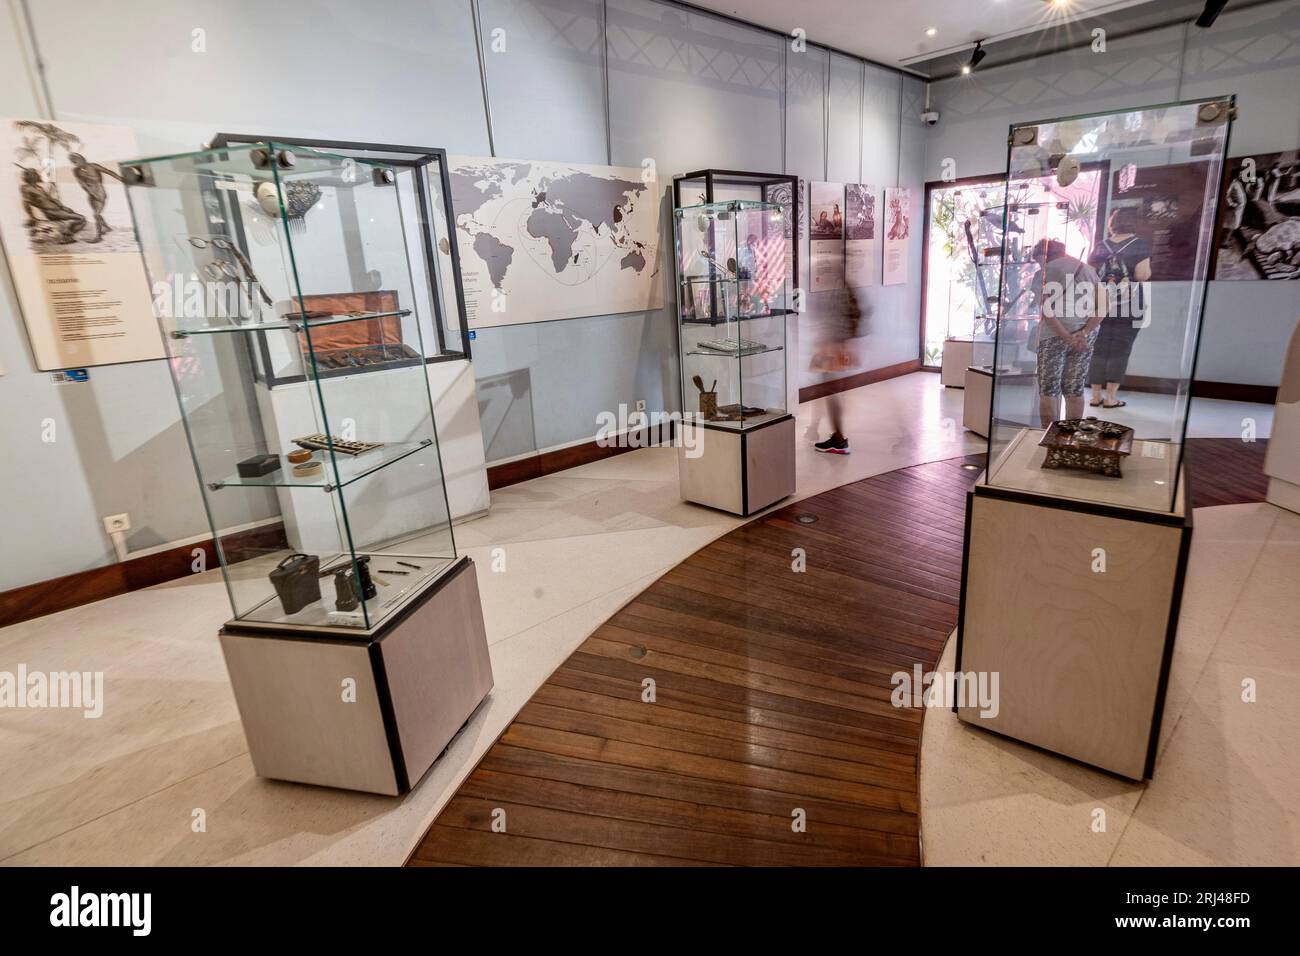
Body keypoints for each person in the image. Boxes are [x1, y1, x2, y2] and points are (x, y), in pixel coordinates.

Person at [1032, 238, 1103, 429]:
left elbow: (1047, 311)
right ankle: (1070, 437)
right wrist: (1083, 333)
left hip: (1053, 335)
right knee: (1074, 388)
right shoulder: (1088, 270)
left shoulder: (1044, 273)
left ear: (1042, 256)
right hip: (1085, 336)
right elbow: (1103, 306)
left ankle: (1050, 436)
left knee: (1049, 388)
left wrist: (1066, 336)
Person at [1087, 207, 1152, 409]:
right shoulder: (1139, 244)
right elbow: (1142, 275)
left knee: (1098, 349)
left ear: (1112, 223)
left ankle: (1095, 395)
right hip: (1129, 305)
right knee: (1120, 351)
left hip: (1101, 304)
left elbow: (1090, 274)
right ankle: (1110, 398)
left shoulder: (1100, 245)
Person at [812, 285, 866, 455]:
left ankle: (839, 440)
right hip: (838, 347)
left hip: (833, 348)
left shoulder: (838, 287)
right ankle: (836, 436)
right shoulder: (844, 286)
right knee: (830, 392)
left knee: (830, 392)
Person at [18, 167, 85, 243]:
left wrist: (63, 207)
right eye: (35, 173)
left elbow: (51, 199)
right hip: (50, 211)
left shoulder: (39, 187)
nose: (38, 175)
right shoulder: (26, 188)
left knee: (77, 216)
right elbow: (26, 202)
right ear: (30, 176)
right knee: (81, 218)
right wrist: (32, 216)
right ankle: (66, 236)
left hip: (57, 209)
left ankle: (65, 234)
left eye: (36, 173)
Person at [69, 153, 123, 242]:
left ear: (83, 159)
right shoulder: (76, 171)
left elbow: (109, 172)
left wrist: (121, 179)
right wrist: (90, 191)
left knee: (96, 214)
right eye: (74, 161)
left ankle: (99, 237)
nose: (76, 162)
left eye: (77, 160)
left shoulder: (93, 166)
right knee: (96, 213)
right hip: (90, 193)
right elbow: (81, 183)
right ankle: (107, 228)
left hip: (100, 191)